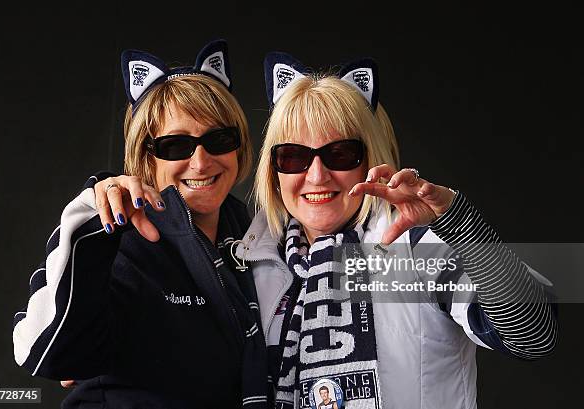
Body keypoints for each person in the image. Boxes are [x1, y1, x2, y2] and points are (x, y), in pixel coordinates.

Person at [234, 52, 558, 409]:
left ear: (372, 160)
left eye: (341, 154)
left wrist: (459, 222)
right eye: (294, 157)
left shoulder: (416, 250)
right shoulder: (251, 263)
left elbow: (532, 334)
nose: (316, 176)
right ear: (273, 171)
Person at [12, 40, 269, 409]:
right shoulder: (114, 240)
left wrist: (379, 236)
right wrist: (92, 220)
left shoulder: (257, 235)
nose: (200, 162)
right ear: (145, 157)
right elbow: (50, 352)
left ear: (239, 146)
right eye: (175, 145)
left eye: (218, 139)